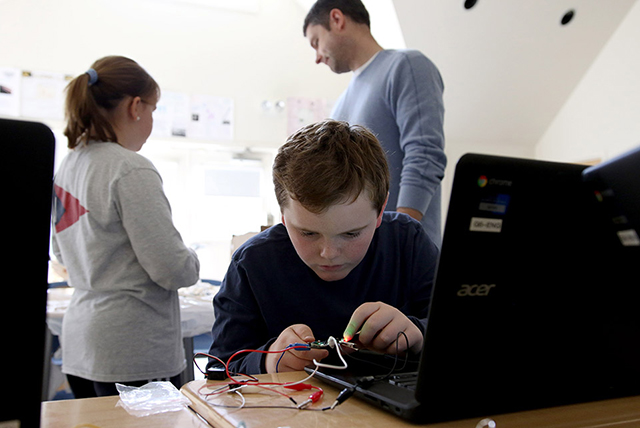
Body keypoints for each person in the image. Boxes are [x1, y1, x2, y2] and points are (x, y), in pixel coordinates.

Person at [207, 120, 439, 375]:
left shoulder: (407, 242)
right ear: (283, 215)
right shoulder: (252, 263)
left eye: (351, 234)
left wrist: (418, 333)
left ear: (380, 211)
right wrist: (269, 362)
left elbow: (466, 336)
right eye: (308, 233)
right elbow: (217, 371)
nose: (328, 253)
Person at [51, 56, 200, 398]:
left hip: (81, 343)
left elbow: (61, 252)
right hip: (132, 349)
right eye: (153, 109)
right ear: (135, 107)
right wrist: (192, 258)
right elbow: (172, 269)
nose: (152, 120)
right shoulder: (130, 169)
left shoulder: (68, 166)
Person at [303, 0, 447, 246]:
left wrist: (400, 234)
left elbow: (424, 154)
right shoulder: (339, 106)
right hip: (356, 256)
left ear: (337, 19)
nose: (317, 58)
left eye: (316, 42)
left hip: (404, 251)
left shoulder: (406, 66)